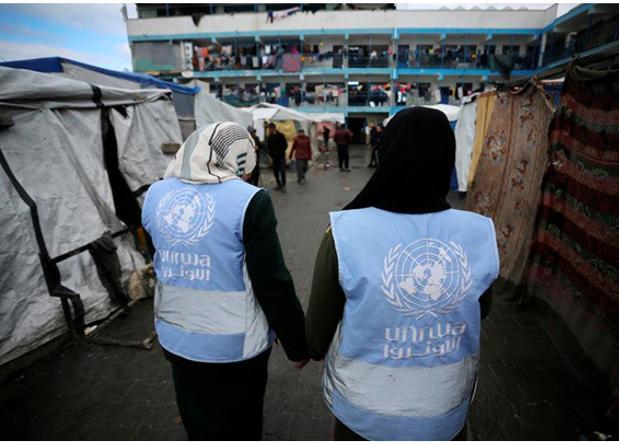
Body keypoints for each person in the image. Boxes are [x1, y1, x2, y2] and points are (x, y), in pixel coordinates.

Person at [305, 108, 499, 441]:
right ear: (446, 159)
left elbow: (315, 338)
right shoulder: (479, 233)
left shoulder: (343, 232)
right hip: (445, 412)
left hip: (362, 414)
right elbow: (480, 310)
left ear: (386, 153)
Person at [142, 122, 309, 441]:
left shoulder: (156, 193)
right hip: (235, 347)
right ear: (241, 157)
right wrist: (297, 344)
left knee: (199, 423)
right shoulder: (249, 200)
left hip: (176, 338)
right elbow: (272, 282)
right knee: (241, 427)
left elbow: (159, 257)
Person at [266, 122, 288, 192]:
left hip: (281, 157)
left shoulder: (281, 135)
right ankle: (278, 184)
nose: (269, 130)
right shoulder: (269, 137)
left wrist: (280, 152)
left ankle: (283, 185)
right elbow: (268, 148)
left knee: (282, 171)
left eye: (269, 128)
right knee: (275, 172)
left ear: (273, 128)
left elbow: (285, 145)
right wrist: (270, 156)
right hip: (274, 158)